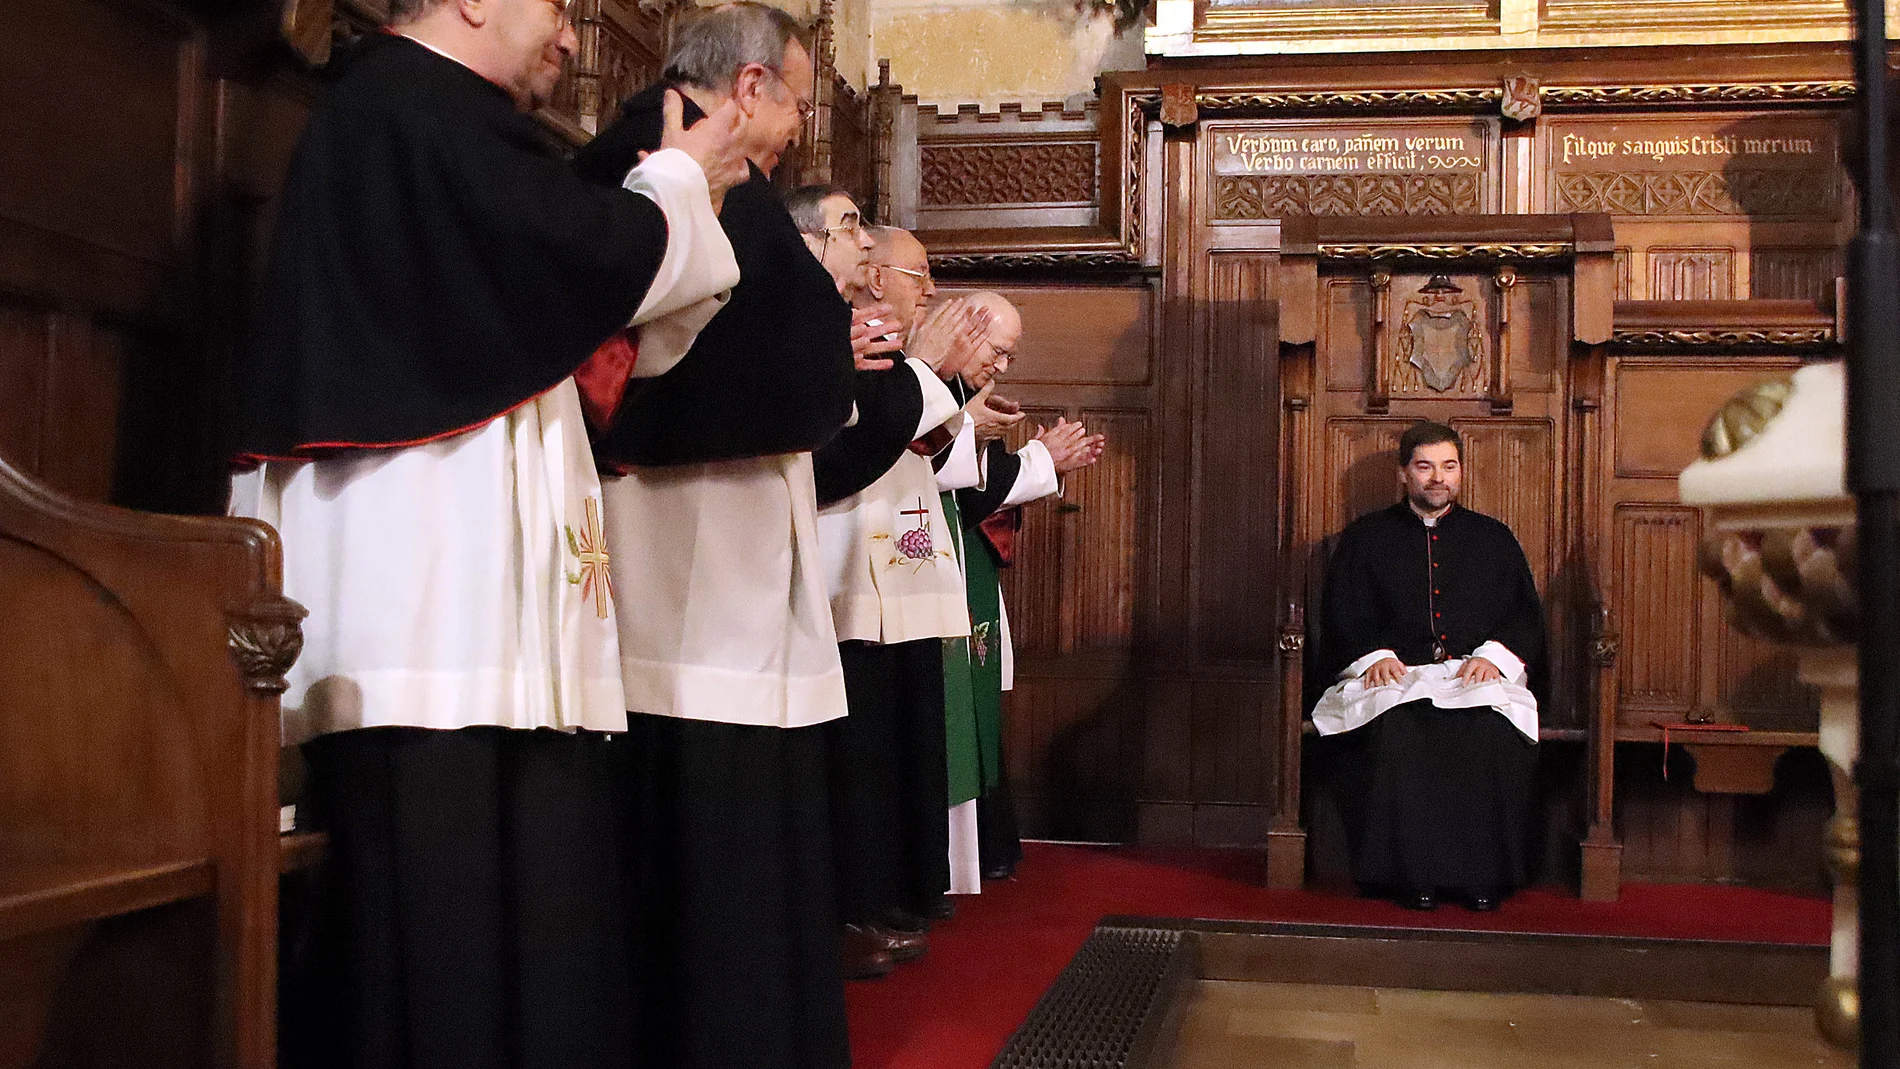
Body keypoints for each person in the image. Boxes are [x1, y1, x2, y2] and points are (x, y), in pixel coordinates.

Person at [224, 0, 748, 1064]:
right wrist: (677, 180)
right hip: (425, 592)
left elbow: (561, 291)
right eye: (558, 7)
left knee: (511, 878)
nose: (570, 38)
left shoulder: (427, 119)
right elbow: (583, 252)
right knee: (438, 895)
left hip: (467, 595)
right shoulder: (412, 109)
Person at [571, 7, 859, 1068]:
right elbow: (625, 345)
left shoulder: (720, 177)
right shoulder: (654, 162)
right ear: (748, 86)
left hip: (736, 537)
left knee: (749, 817)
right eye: (791, 102)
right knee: (701, 820)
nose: (791, 131)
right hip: (674, 548)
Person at [813, 220, 992, 973]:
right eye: (918, 275)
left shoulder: (892, 347)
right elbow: (852, 445)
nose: (931, 289)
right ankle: (857, 903)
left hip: (901, 551)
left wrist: (959, 400)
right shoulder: (843, 334)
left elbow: (921, 447)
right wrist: (925, 372)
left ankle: (896, 889)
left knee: (902, 741)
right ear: (878, 277)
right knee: (859, 751)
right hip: (846, 551)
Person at [1311, 420, 1544, 913]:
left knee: (1490, 730)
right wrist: (1374, 657)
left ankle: (1484, 879)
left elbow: (1524, 616)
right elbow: (1343, 612)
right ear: (1404, 474)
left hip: (1471, 677)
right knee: (1400, 730)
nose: (1438, 477)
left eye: (1448, 466)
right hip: (1397, 679)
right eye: (1425, 466)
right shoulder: (1366, 538)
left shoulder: (1493, 538)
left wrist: (1491, 657)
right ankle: (1408, 878)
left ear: (1460, 473)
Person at [945, 292, 1105, 882]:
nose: (1002, 366)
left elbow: (969, 488)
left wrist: (1037, 462)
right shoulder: (924, 386)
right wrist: (1039, 460)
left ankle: (986, 847)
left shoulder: (958, 396)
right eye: (998, 351)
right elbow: (947, 486)